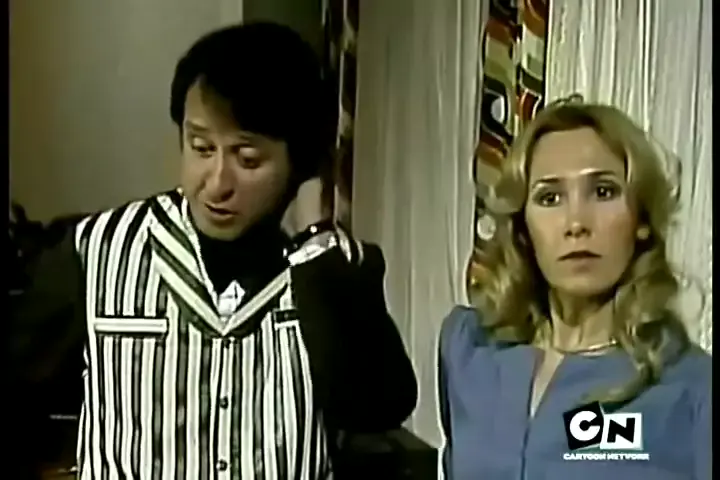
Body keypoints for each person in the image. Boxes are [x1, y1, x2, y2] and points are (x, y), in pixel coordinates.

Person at [9, 22, 417, 479]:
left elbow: (379, 408)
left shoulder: (333, 267)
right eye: (201, 148)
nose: (217, 183)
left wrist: (314, 243)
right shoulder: (98, 252)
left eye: (248, 159)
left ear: (299, 163)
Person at [438, 98, 711, 479]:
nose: (576, 223)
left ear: (642, 220)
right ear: (523, 227)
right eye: (550, 198)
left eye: (603, 192)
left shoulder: (689, 386)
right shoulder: (470, 349)